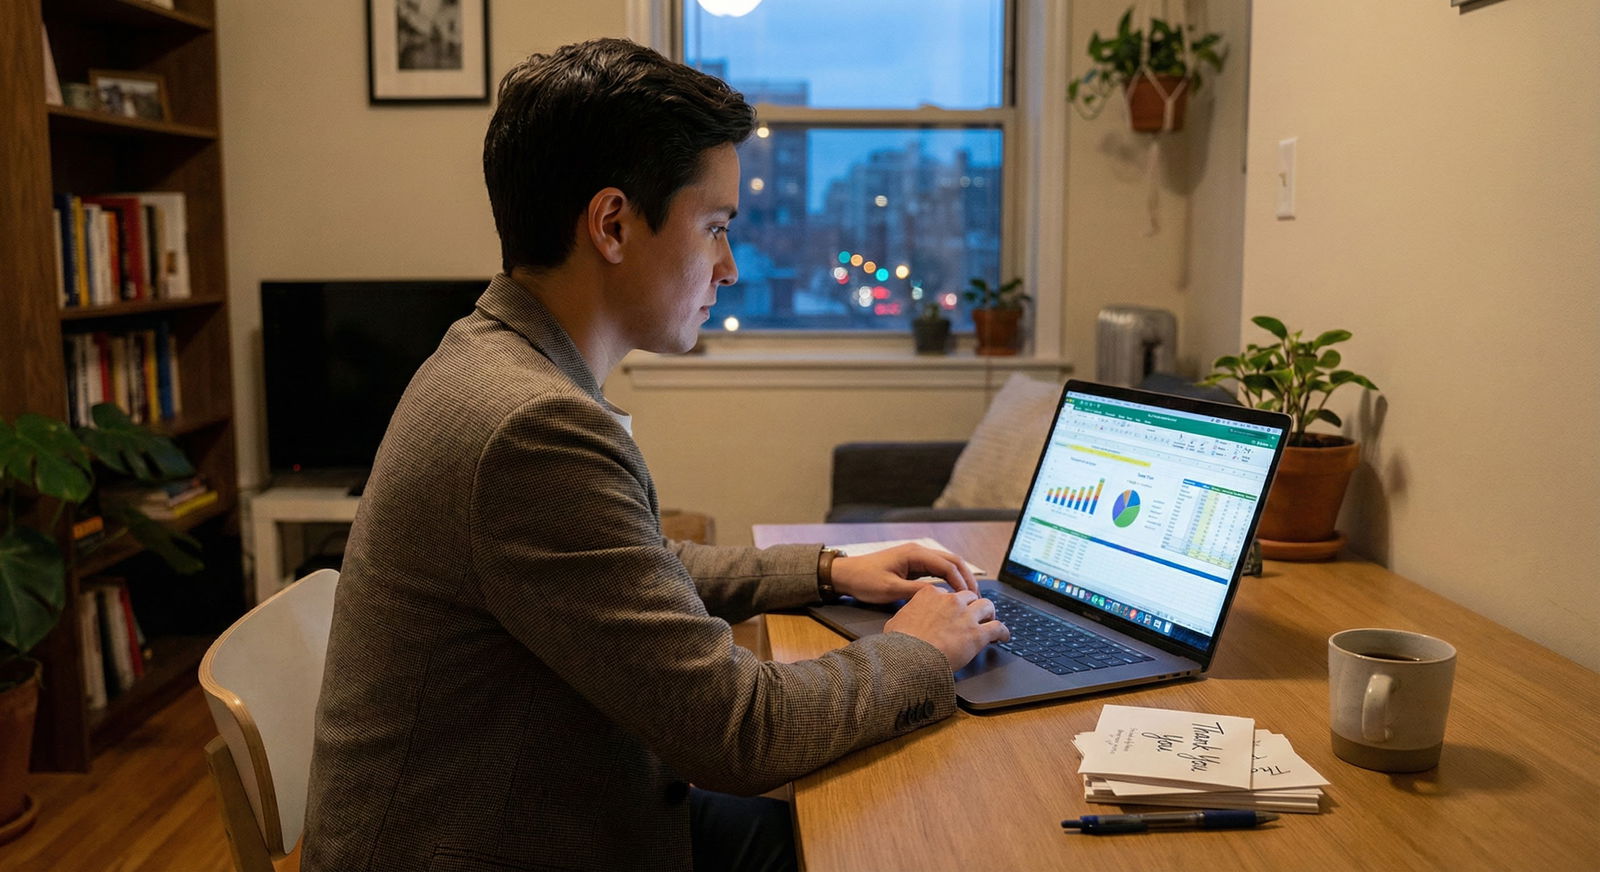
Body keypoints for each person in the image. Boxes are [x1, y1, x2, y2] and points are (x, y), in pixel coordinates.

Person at [302, 37, 1009, 872]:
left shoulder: (489, 358)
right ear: (612, 225)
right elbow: (739, 732)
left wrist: (829, 570)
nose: (729, 267)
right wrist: (919, 649)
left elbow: (639, 568)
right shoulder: (532, 428)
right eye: (714, 228)